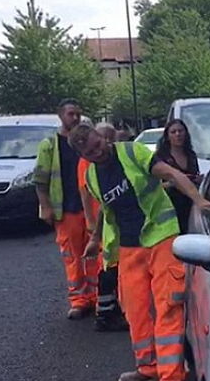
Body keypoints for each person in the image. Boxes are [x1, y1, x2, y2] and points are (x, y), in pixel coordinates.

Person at [68, 123, 210, 381]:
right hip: (129, 246)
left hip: (160, 237)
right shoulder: (92, 176)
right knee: (134, 310)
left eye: (99, 144)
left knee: (168, 305)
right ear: (84, 156)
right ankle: (147, 368)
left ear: (101, 137)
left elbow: (172, 174)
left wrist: (198, 200)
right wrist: (95, 239)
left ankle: (171, 375)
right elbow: (105, 207)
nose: (98, 152)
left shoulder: (132, 153)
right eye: (91, 152)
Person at [34, 98, 98, 320]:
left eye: (78, 113)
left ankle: (98, 297)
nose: (75, 117)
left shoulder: (85, 142)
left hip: (91, 207)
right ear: (60, 115)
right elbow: (40, 180)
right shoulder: (50, 145)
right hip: (67, 209)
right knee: (73, 256)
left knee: (95, 254)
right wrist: (46, 207)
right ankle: (79, 299)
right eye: (71, 113)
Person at [77, 121, 128, 332]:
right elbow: (85, 192)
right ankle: (105, 313)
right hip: (106, 224)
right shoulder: (89, 163)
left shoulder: (108, 158)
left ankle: (109, 309)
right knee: (107, 270)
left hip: (110, 221)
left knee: (110, 269)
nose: (107, 144)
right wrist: (92, 226)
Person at [155, 120, 202, 234]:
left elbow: (194, 176)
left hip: (189, 206)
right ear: (167, 136)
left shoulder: (191, 155)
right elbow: (153, 186)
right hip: (169, 207)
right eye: (173, 132)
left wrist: (198, 179)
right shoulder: (160, 157)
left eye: (180, 131)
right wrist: (172, 182)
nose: (178, 134)